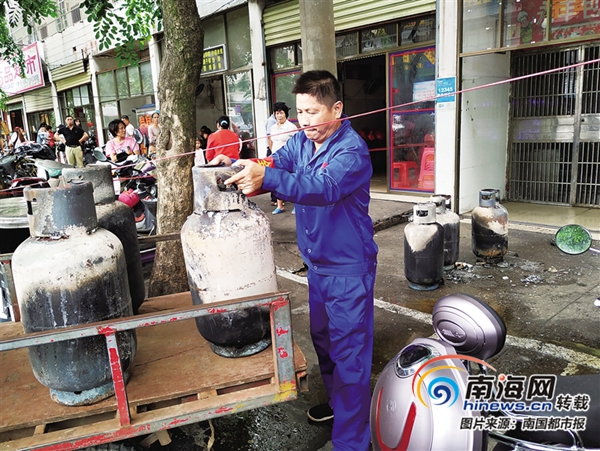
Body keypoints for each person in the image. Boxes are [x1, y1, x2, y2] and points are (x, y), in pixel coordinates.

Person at [210, 70, 378, 451]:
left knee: (350, 359)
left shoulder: (351, 151)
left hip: (347, 271)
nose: (305, 121)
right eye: (300, 112)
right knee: (325, 343)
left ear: (336, 109)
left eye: (313, 112)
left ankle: (352, 442)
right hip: (317, 268)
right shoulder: (302, 142)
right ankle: (338, 407)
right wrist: (238, 164)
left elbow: (323, 188)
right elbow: (275, 162)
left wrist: (267, 180)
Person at [268, 102, 297, 215]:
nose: (279, 115)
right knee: (277, 182)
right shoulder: (273, 127)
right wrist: (272, 154)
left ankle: (296, 205)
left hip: (289, 159)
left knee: (291, 182)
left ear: (286, 114)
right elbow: (271, 141)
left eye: (281, 113)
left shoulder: (291, 127)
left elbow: (297, 143)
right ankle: (280, 206)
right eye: (277, 113)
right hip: (276, 158)